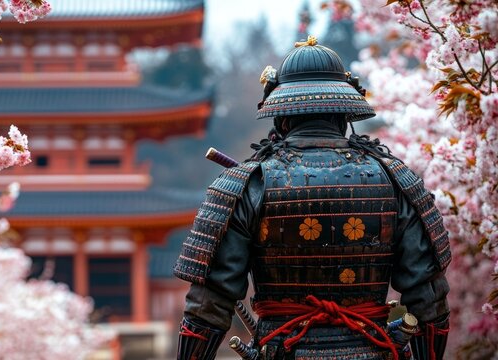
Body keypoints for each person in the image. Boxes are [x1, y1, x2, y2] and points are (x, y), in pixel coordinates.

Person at [173, 36, 451, 360]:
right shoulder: (396, 179)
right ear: (344, 114)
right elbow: (430, 300)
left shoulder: (245, 184)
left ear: (282, 116)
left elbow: (207, 305)